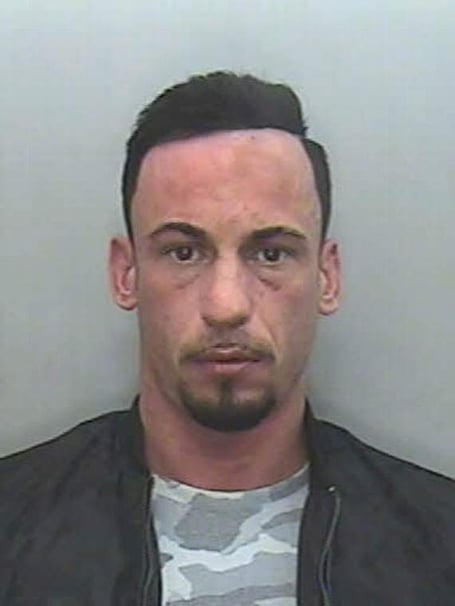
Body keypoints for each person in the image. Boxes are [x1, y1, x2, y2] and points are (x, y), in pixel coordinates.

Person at [1, 71, 454, 606]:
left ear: (327, 277)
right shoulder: (14, 529)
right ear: (126, 274)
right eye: (183, 252)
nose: (226, 306)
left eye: (271, 254)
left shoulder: (439, 548)